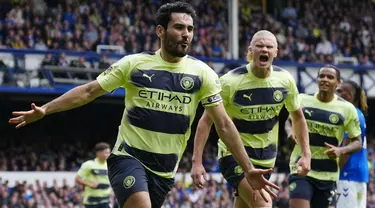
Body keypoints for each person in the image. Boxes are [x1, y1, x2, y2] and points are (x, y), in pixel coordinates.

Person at [9, 2, 278, 208]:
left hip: (165, 171)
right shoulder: (133, 64)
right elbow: (89, 91)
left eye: (190, 29)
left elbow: (223, 124)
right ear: (160, 30)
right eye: (179, 27)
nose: (186, 34)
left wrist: (247, 168)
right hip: (129, 158)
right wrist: (46, 110)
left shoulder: (203, 73)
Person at [190, 30, 311, 208]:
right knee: (264, 204)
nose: (265, 50)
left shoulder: (285, 80)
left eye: (269, 47)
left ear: (275, 53)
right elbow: (206, 121)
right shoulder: (230, 82)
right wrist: (197, 161)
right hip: (234, 157)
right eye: (260, 46)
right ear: (250, 50)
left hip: (266, 160)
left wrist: (306, 153)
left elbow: (298, 117)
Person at [285, 65, 362, 208]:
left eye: (330, 77)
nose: (325, 80)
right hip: (301, 168)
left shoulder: (347, 109)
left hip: (329, 174)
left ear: (338, 83)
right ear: (317, 79)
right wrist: (290, 132)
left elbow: (357, 142)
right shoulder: (302, 100)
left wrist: (341, 151)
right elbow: (288, 122)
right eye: (322, 76)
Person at [336, 80, 368, 208]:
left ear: (349, 95)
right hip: (357, 175)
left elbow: (347, 149)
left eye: (339, 91)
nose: (335, 93)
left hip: (347, 175)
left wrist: (333, 171)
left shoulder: (350, 114)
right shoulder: (358, 113)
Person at [75, 142, 111, 208]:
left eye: (109, 152)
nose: (108, 154)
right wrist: (89, 184)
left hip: (105, 200)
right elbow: (77, 179)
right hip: (91, 202)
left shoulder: (109, 165)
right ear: (99, 153)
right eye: (106, 152)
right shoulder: (89, 164)